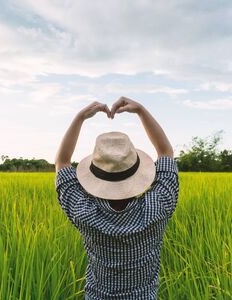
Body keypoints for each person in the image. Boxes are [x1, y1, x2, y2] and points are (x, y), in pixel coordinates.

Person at [54, 96, 180, 299]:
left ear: (95, 176)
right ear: (137, 172)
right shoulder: (157, 206)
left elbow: (62, 162)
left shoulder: (83, 212)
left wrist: (79, 118)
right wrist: (140, 110)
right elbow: (165, 151)